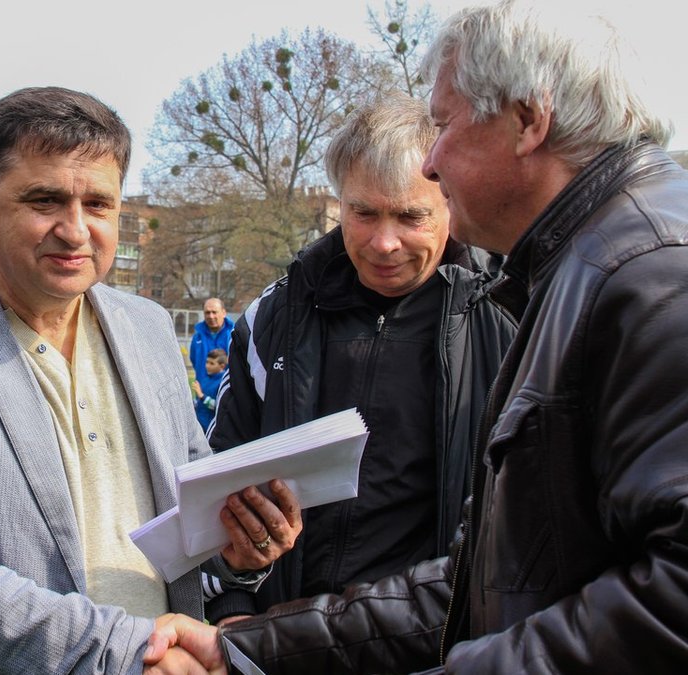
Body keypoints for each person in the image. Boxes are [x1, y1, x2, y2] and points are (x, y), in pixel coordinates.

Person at [145, 1, 688, 672]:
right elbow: (483, 580)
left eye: (444, 124)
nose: (431, 161)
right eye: (362, 212)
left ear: (527, 121)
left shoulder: (650, 271)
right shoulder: (589, 267)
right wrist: (245, 641)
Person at [0, 86, 302, 674]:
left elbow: (187, 522)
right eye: (46, 200)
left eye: (99, 204)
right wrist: (124, 652)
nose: (76, 229)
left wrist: (238, 548)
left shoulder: (148, 329)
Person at [203, 93, 516, 625]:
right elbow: (220, 477)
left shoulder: (508, 315)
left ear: (451, 202)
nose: (384, 242)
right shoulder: (273, 318)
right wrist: (231, 607)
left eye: (411, 216)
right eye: (364, 213)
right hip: (280, 636)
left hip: (435, 642)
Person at [189, 297, 233, 385]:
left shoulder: (233, 335)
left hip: (227, 389)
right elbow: (194, 360)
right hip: (203, 390)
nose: (211, 316)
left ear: (224, 313)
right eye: (207, 313)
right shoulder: (197, 337)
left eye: (214, 312)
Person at [191, 348, 228, 433]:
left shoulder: (223, 382)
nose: (207, 366)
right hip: (200, 426)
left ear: (222, 366)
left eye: (212, 363)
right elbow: (199, 402)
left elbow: (218, 407)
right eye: (207, 362)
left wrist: (202, 396)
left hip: (212, 428)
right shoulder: (205, 379)